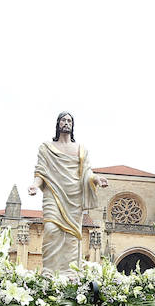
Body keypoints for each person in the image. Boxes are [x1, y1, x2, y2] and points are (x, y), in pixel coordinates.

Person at [27, 111, 107, 272]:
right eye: (63, 120)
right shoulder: (46, 148)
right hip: (53, 193)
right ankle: (48, 271)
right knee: (51, 229)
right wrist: (35, 185)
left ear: (72, 125)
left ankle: (70, 272)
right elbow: (41, 171)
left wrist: (97, 179)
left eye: (69, 120)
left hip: (74, 196)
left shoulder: (80, 149)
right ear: (58, 124)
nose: (66, 122)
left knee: (71, 235)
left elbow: (87, 172)